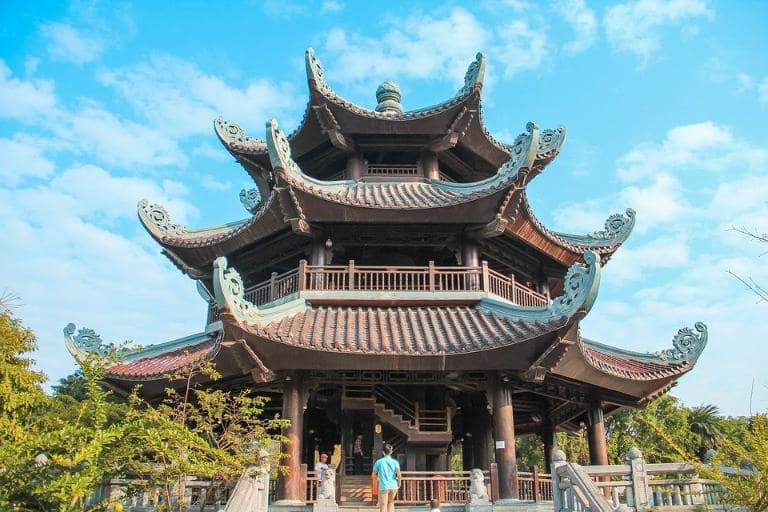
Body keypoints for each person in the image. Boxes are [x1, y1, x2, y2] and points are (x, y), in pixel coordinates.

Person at [372, 444, 401, 512]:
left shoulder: (379, 462)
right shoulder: (395, 462)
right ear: (391, 452)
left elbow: (373, 475)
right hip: (393, 485)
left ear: (383, 452)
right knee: (391, 503)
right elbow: (399, 474)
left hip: (384, 485)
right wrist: (399, 482)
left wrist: (378, 479)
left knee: (383, 504)